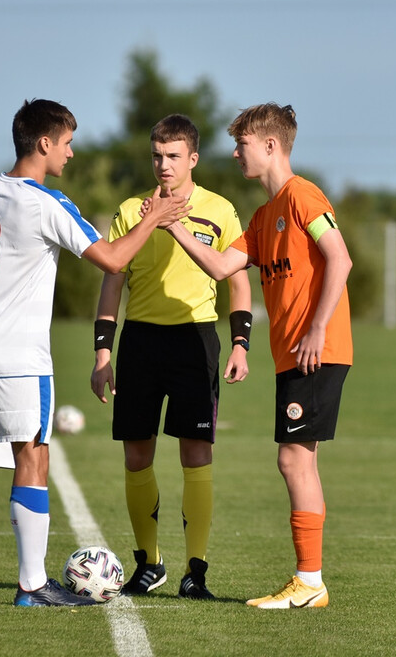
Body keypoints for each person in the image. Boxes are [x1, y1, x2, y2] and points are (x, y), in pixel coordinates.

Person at [0, 99, 188, 607]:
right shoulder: (47, 203)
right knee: (33, 456)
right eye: (66, 143)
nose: (72, 152)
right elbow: (112, 259)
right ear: (44, 144)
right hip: (20, 358)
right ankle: (32, 585)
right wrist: (156, 218)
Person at [160, 103, 352, 609]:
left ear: (270, 146)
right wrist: (174, 228)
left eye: (242, 143)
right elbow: (224, 267)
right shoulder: (265, 217)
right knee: (295, 461)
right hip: (295, 355)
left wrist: (315, 329)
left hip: (316, 349)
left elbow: (340, 256)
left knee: (294, 461)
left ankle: (309, 582)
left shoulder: (301, 196)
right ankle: (308, 581)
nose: (235, 151)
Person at [90, 113, 252, 600]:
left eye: (174, 156)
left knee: (195, 453)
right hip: (139, 342)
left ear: (193, 159)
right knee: (137, 454)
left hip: (195, 341)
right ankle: (149, 562)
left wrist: (241, 342)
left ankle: (195, 571)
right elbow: (111, 285)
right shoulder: (130, 210)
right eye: (157, 155)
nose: (163, 164)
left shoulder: (219, 210)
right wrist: (103, 353)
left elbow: (238, 280)